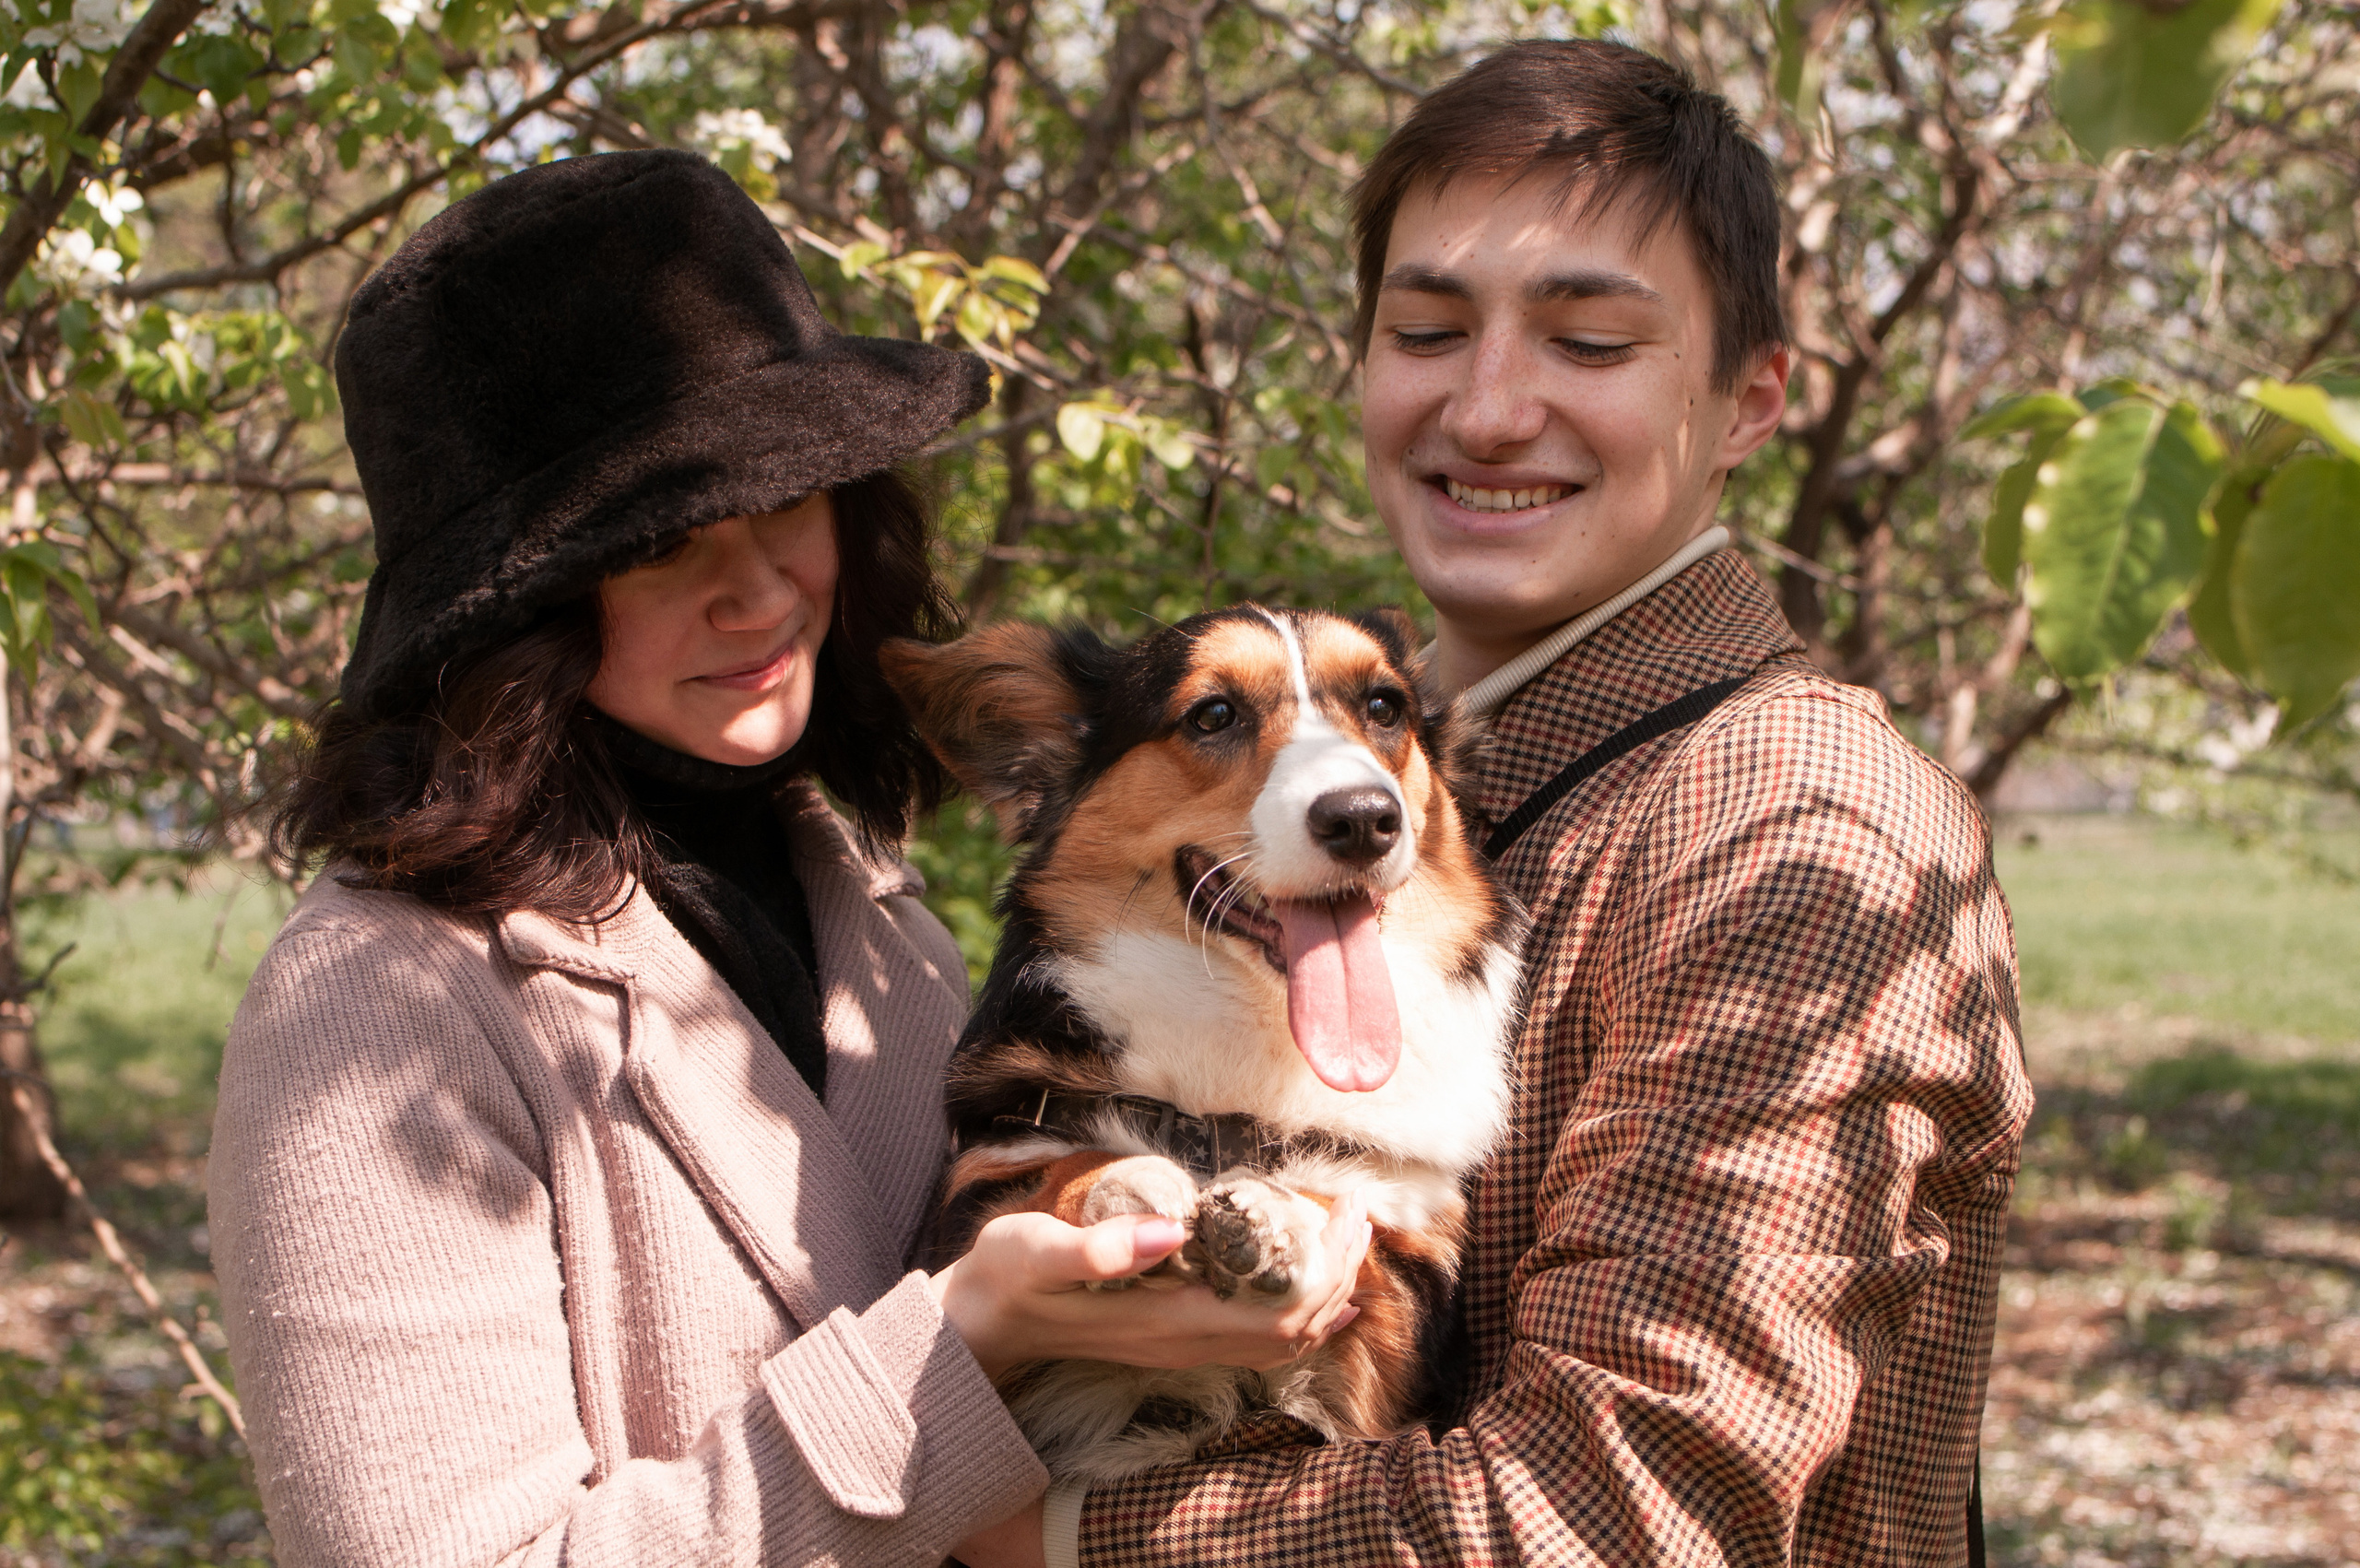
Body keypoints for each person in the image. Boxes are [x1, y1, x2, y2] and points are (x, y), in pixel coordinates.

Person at [206, 149, 1369, 1568]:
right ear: (510, 619)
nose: (756, 588)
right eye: (660, 546)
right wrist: (960, 1341)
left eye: (788, 501)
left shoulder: (876, 916)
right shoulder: (375, 1007)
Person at [970, 38, 2036, 1568]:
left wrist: (1042, 1534)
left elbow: (1619, 1511)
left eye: (1590, 344)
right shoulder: (1430, 777)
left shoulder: (1796, 822)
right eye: (1426, 329)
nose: (1484, 410)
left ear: (1749, 400)